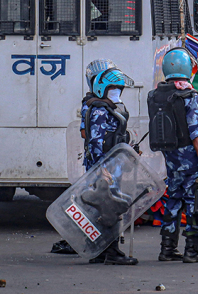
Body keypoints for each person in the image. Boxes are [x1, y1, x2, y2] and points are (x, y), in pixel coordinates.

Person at [148, 49, 198, 263]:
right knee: (195, 201)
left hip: (171, 156)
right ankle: (192, 250)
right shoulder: (189, 95)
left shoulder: (157, 94)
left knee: (173, 200)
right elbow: (197, 132)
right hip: (190, 157)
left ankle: (167, 248)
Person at [80, 60, 138, 264]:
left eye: (118, 88)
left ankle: (101, 251)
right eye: (112, 87)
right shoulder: (99, 110)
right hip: (105, 168)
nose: (116, 91)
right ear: (101, 87)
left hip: (114, 165)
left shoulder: (110, 107)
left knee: (104, 209)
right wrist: (102, 169)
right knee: (109, 209)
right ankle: (111, 252)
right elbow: (95, 141)